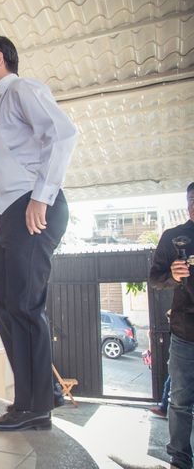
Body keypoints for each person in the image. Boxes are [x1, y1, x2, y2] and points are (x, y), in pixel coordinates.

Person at [0, 36, 77, 431]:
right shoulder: (5, 103)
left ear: (0, 59)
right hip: (15, 212)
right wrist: (3, 217)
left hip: (35, 205)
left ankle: (35, 406)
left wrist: (40, 198)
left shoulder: (22, 89)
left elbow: (63, 135)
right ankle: (40, 393)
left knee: (25, 305)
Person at [149, 182, 194, 469]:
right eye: (191, 201)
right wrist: (173, 277)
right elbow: (154, 279)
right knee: (179, 401)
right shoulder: (173, 237)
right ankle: (180, 459)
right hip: (184, 332)